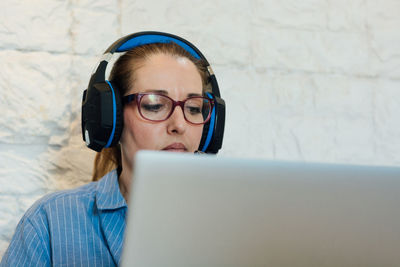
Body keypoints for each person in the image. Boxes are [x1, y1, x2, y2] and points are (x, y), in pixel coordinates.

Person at [1, 32, 225, 266]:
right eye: (154, 105)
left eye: (194, 108)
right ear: (112, 117)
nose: (179, 125)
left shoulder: (233, 223)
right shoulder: (49, 223)